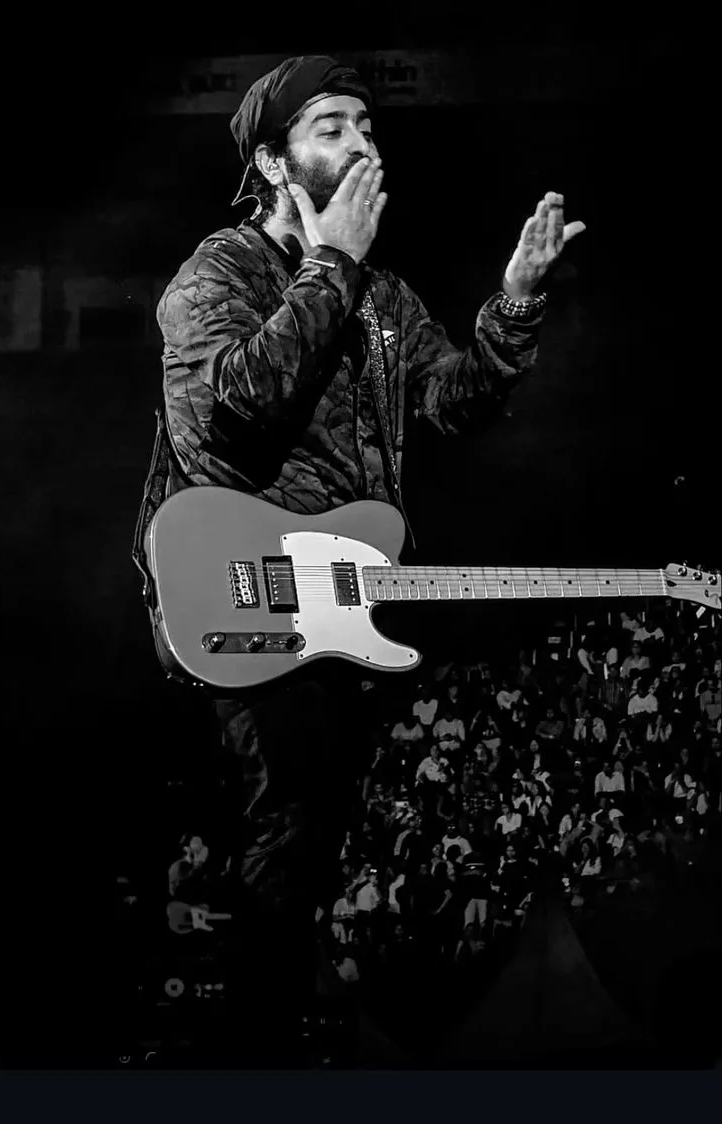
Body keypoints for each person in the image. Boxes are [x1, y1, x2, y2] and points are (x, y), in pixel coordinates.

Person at [142, 53, 586, 1064]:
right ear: (272, 160)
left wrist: (516, 302)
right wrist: (330, 264)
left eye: (367, 124)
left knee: (310, 842)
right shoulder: (217, 274)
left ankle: (264, 1039)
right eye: (331, 126)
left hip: (344, 600)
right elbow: (236, 407)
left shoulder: (384, 294)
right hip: (247, 586)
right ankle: (249, 1063)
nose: (362, 141)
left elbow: (453, 402)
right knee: (287, 837)